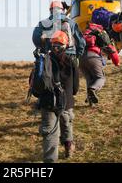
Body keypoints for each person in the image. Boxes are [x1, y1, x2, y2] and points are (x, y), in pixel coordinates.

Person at [38, 31, 79, 163]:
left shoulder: (44, 60)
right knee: (67, 123)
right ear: (66, 45)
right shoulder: (71, 61)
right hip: (66, 100)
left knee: (50, 133)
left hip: (47, 101)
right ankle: (68, 146)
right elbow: (76, 88)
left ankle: (50, 161)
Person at [32, 0, 85, 75]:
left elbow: (36, 39)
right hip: (69, 55)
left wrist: (44, 49)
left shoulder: (43, 23)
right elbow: (81, 42)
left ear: (50, 10)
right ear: (63, 10)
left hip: (51, 56)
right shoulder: (72, 23)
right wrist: (78, 55)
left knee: (52, 80)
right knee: (71, 83)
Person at [80, 23, 119, 105]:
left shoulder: (84, 33)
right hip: (93, 56)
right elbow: (111, 49)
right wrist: (116, 62)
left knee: (89, 79)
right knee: (100, 78)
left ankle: (91, 102)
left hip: (80, 59)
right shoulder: (101, 33)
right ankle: (93, 89)